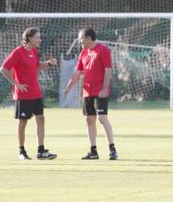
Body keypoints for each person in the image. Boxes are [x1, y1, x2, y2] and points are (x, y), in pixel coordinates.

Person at [1, 27, 58, 160]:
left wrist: (48, 64)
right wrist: (16, 84)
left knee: (41, 119)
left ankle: (41, 151)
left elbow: (37, 65)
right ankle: (22, 151)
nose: (40, 39)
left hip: (35, 92)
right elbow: (4, 69)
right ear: (30, 38)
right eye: (37, 37)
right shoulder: (17, 52)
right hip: (23, 95)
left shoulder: (34, 50)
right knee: (23, 122)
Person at [64, 28, 118, 160]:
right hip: (87, 91)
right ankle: (93, 151)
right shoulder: (83, 53)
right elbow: (78, 72)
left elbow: (108, 70)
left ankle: (112, 149)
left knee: (102, 118)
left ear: (88, 38)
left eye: (81, 38)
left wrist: (104, 88)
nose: (80, 41)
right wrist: (69, 86)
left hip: (100, 91)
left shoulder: (103, 50)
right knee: (89, 120)